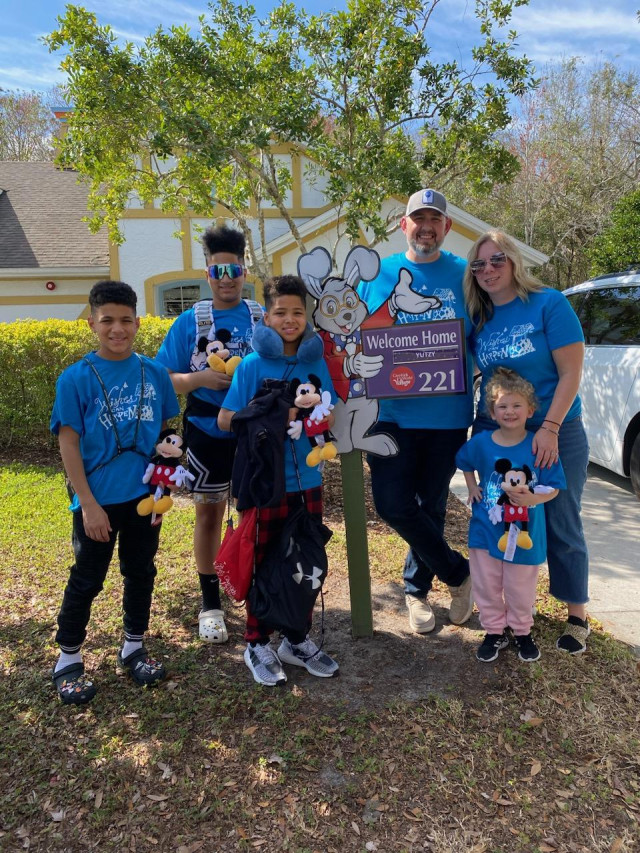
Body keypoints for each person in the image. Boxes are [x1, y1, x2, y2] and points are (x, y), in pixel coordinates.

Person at [51, 280, 180, 705]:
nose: (117, 329)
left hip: (143, 498)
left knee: (140, 572)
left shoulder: (155, 373)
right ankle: (67, 658)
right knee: (87, 578)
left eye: (126, 320)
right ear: (92, 323)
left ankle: (133, 646)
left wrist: (162, 489)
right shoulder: (75, 379)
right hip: (98, 500)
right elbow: (68, 442)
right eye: (107, 320)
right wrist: (87, 504)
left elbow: (167, 435)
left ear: (138, 323)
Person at [463, 230, 590, 654]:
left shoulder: (549, 303)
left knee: (560, 518)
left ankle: (577, 615)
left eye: (497, 259)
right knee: (504, 517)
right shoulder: (479, 319)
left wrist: (550, 428)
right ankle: (508, 616)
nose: (488, 270)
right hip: (500, 435)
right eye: (479, 265)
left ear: (514, 261)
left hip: (556, 429)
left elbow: (571, 373)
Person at [357, 188, 474, 634]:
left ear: (446, 227)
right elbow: (354, 335)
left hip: (446, 416)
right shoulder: (378, 273)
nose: (426, 226)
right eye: (417, 218)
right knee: (392, 503)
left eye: (435, 219)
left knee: (432, 504)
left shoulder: (466, 276)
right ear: (403, 225)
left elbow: (484, 335)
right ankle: (459, 573)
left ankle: (416, 592)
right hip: (388, 412)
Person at [218, 274, 340, 686]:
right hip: (264, 484)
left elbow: (329, 410)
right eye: (280, 313)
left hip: (308, 479)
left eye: (297, 313)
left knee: (304, 561)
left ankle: (296, 638)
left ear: (307, 318)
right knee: (263, 562)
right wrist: (276, 413)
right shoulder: (253, 365)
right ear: (266, 318)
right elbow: (225, 418)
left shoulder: (314, 361)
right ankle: (256, 642)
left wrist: (315, 417)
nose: (290, 320)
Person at [156, 224, 262, 645]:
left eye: (233, 270)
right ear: (207, 275)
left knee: (259, 513)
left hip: (255, 435)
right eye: (218, 272)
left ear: (243, 271)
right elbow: (165, 378)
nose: (227, 279)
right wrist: (198, 378)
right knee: (209, 514)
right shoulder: (191, 320)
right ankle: (210, 604)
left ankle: (259, 593)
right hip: (204, 433)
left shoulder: (260, 317)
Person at [456, 368, 565, 662]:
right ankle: (494, 631)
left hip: (525, 534)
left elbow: (555, 486)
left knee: (519, 588)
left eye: (517, 405)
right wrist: (471, 487)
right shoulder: (481, 443)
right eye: (502, 406)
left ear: (530, 409)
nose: (510, 411)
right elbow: (463, 460)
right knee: (487, 585)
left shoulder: (538, 445)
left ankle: (521, 631)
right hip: (485, 532)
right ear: (492, 411)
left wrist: (534, 497)